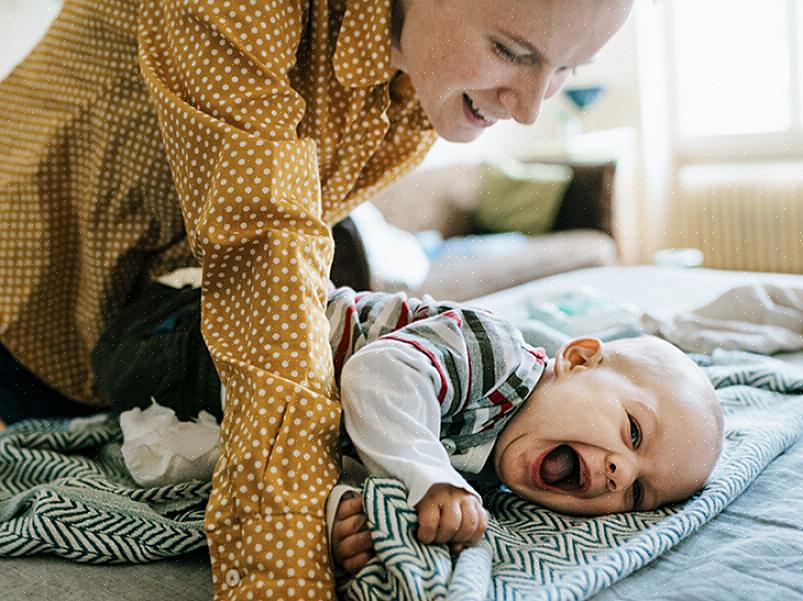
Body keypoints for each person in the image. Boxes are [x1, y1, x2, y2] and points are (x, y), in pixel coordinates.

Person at [0, 0, 636, 598]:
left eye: (567, 67)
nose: (530, 110)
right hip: (28, 293)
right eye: (509, 49)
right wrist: (284, 570)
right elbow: (266, 263)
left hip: (148, 350)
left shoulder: (417, 86)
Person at [90, 281, 723, 577]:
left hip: (255, 405)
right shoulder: (493, 353)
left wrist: (344, 515)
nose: (619, 473)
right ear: (578, 361)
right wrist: (429, 477)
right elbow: (376, 381)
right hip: (225, 335)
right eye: (634, 434)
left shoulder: (496, 477)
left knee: (161, 441)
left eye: (638, 492)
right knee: (116, 366)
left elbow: (350, 453)